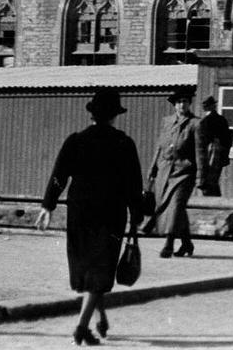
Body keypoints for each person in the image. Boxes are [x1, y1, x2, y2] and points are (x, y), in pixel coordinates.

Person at [35, 85, 144, 347]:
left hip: (80, 214)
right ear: (114, 115)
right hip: (110, 215)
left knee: (88, 270)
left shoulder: (76, 141)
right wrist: (137, 214)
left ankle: (100, 316)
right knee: (101, 268)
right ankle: (81, 327)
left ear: (92, 115)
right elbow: (133, 183)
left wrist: (47, 206)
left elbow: (60, 175)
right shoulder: (123, 143)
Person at [146, 89, 199, 257]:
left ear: (190, 103)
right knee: (175, 207)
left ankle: (168, 243)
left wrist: (202, 177)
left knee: (175, 205)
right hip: (165, 169)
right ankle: (187, 244)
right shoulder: (167, 121)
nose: (182, 105)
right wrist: (153, 167)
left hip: (185, 171)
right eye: (178, 102)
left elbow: (201, 151)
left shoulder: (196, 123)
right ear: (174, 105)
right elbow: (160, 146)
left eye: (185, 101)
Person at [196, 95, 232, 195]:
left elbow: (202, 140)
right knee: (213, 179)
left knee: (207, 179)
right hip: (219, 152)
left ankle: (211, 200)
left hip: (210, 152)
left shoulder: (204, 122)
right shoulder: (221, 119)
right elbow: (228, 140)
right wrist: (225, 155)